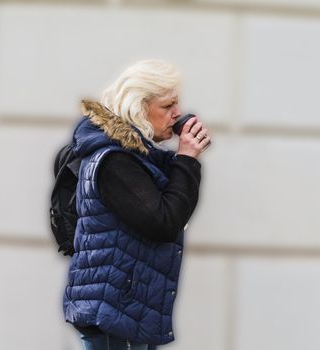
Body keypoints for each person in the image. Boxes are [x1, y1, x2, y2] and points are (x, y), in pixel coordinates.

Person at [62, 59, 210, 350]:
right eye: (168, 106)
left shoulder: (136, 158)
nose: (177, 114)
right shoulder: (116, 162)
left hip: (125, 310)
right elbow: (165, 221)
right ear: (139, 107)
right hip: (116, 312)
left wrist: (184, 160)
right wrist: (187, 159)